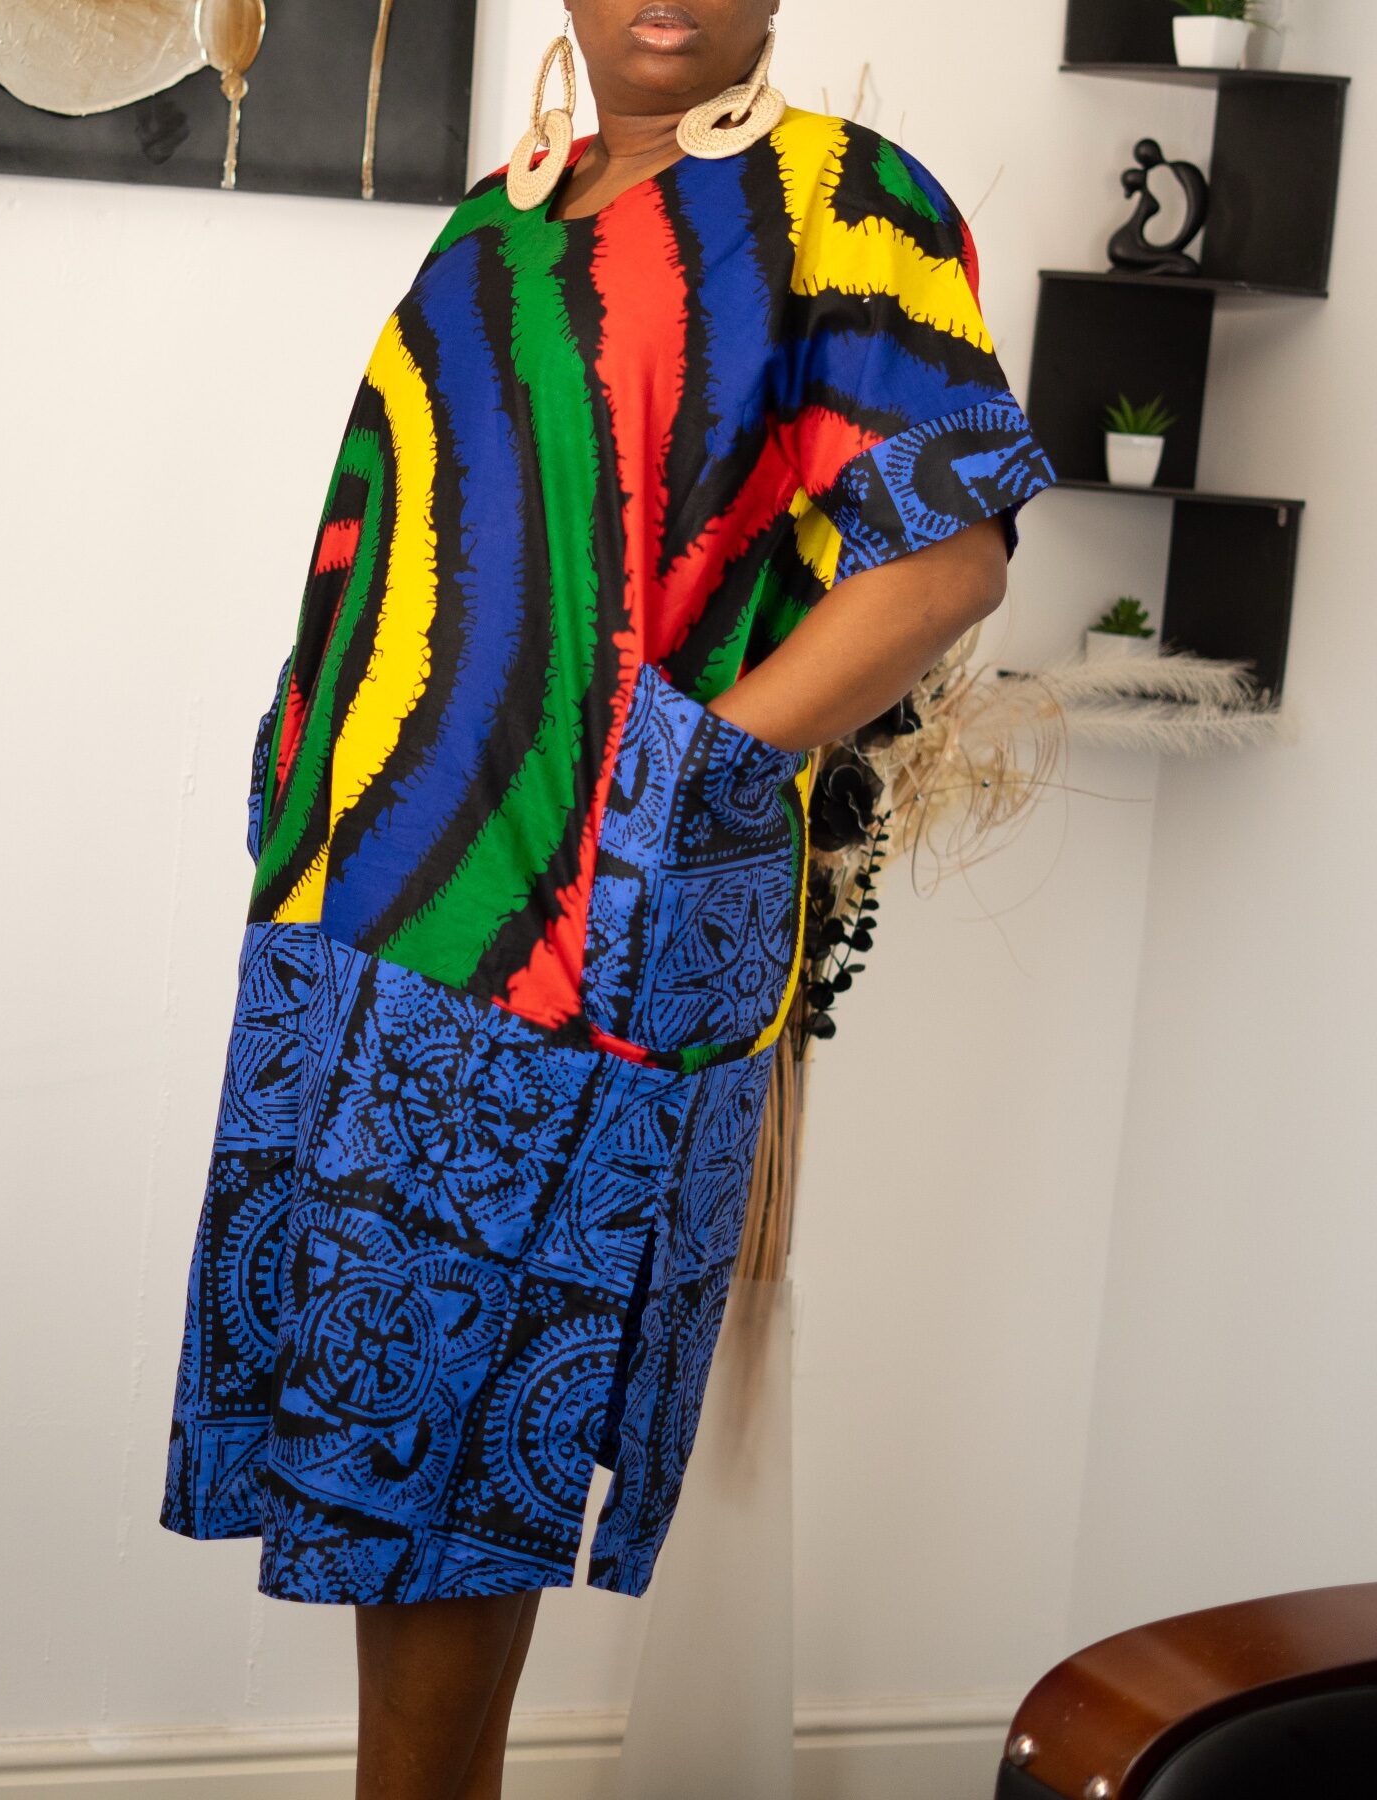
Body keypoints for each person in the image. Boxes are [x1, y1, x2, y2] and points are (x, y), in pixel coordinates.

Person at [160, 1, 1056, 1793]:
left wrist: (698, 770)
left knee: (450, 1488)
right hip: (369, 916)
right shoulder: (494, 217)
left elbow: (946, 557)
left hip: (580, 936)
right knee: (374, 1469)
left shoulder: (840, 201)